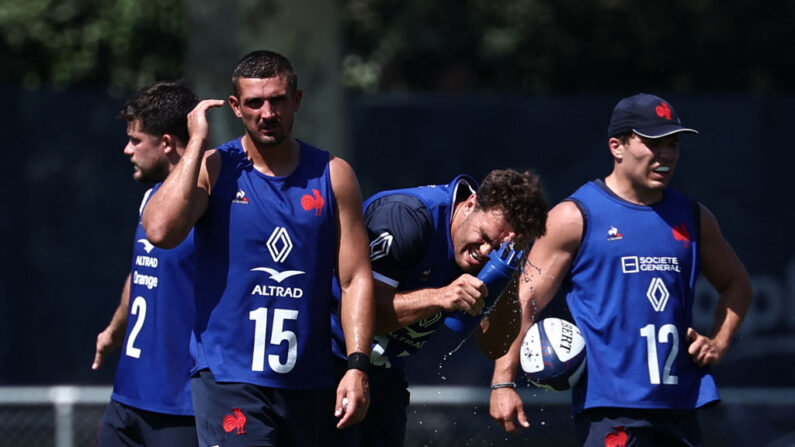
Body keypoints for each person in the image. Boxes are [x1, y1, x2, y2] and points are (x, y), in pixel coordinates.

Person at [489, 93, 753, 446]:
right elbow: (523, 300)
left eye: (672, 144)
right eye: (653, 144)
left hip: (681, 406)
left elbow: (737, 284)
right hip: (612, 410)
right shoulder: (574, 217)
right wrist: (502, 382)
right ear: (617, 147)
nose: (666, 155)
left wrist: (718, 343)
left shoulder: (693, 217)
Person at [141, 50, 375, 447]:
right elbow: (160, 231)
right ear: (235, 107)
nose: (268, 112)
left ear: (296, 101)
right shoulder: (215, 168)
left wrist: (356, 367)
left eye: (278, 100)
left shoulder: (333, 175)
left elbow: (354, 279)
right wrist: (197, 141)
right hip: (229, 378)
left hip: (309, 380)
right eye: (254, 102)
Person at [330, 169, 549, 446]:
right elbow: (364, 313)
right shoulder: (406, 217)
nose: (483, 253)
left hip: (384, 370)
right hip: (330, 358)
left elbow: (494, 345)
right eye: (483, 236)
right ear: (470, 204)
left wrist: (507, 273)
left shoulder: (493, 257)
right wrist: (439, 297)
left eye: (496, 249)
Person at [92, 81, 200, 446]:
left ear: (167, 143)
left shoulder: (213, 200)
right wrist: (113, 330)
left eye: (136, 140)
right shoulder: (153, 197)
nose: (127, 149)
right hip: (128, 396)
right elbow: (142, 271)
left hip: (181, 407)